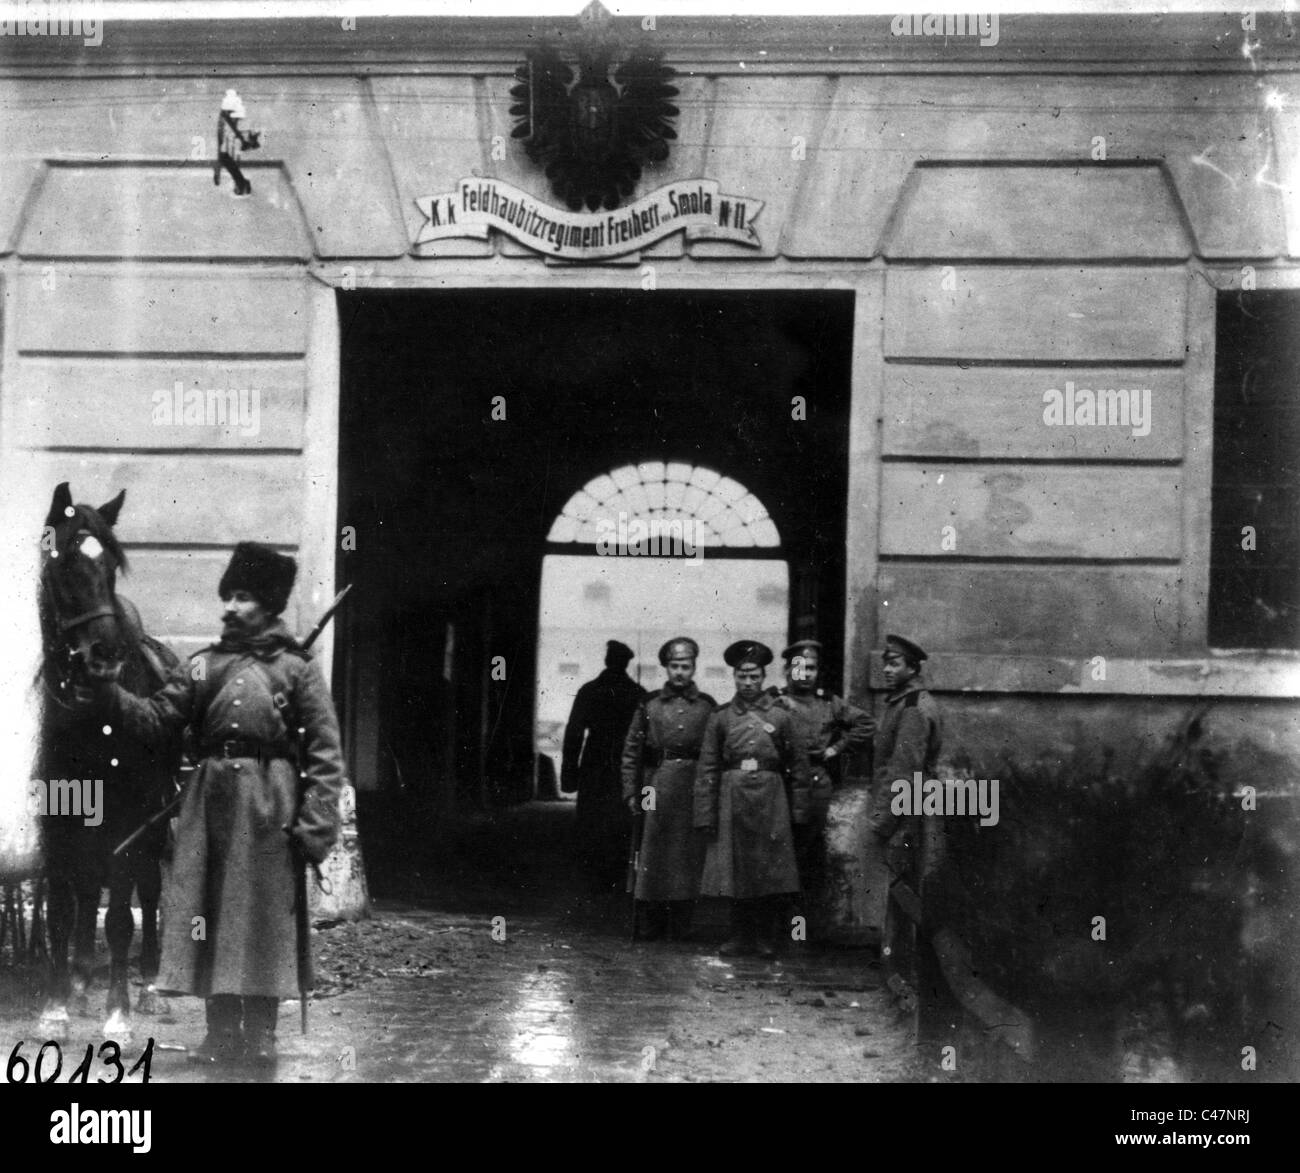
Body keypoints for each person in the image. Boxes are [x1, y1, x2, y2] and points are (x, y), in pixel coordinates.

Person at [90, 542, 344, 1066]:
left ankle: (263, 1031)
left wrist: (314, 825)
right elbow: (158, 718)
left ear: (269, 606)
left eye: (244, 597)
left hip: (269, 808)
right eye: (227, 595)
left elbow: (325, 754)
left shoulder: (296, 670)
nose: (229, 606)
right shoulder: (204, 667)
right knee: (209, 911)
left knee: (262, 918)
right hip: (209, 805)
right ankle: (222, 1031)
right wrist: (110, 693)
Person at [694, 640, 811, 959]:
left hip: (771, 797)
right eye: (742, 676)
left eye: (754, 676)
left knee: (769, 868)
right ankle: (739, 935)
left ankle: (764, 937)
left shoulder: (781, 716)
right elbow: (708, 766)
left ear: (763, 676)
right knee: (735, 869)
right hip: (732, 795)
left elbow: (799, 764)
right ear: (734, 676)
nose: (748, 683)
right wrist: (705, 814)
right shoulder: (720, 717)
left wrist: (799, 812)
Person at [771, 639, 875, 925]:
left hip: (816, 784)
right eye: (799, 667)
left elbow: (866, 724)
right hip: (781, 784)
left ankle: (804, 923)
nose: (806, 673)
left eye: (812, 668)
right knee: (778, 851)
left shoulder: (828, 702)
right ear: (788, 670)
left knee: (809, 851)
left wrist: (834, 749)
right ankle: (777, 922)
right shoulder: (775, 701)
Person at [620, 637, 715, 942]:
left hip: (691, 786)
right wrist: (631, 792)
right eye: (674, 666)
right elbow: (632, 751)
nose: (679, 673)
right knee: (651, 850)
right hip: (655, 784)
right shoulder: (648, 704)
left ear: (694, 667)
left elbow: (714, 752)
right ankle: (649, 920)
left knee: (686, 855)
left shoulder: (706, 705)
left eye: (685, 666)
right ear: (665, 668)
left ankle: (681, 922)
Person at [561, 640, 647, 890]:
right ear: (626, 662)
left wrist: (569, 776)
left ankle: (590, 873)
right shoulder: (637, 693)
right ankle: (616, 875)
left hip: (594, 761)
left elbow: (574, 733)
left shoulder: (589, 690)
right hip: (624, 762)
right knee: (620, 818)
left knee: (591, 817)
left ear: (607, 661)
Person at [867, 633, 943, 856]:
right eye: (885, 664)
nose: (886, 670)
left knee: (898, 880)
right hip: (901, 809)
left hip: (904, 813)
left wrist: (880, 823)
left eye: (894, 664)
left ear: (911, 669)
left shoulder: (912, 708)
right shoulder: (903, 702)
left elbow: (903, 771)